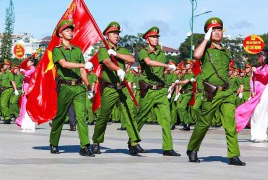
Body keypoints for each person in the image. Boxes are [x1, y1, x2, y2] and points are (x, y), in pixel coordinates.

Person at [186, 17, 245, 166]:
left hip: (226, 92)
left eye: (219, 30)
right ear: (208, 33)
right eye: (214, 31)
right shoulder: (205, 49)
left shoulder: (226, 52)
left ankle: (233, 155)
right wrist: (205, 40)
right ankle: (192, 148)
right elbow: (196, 56)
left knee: (230, 124)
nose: (217, 33)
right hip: (211, 93)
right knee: (204, 123)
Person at [91, 22, 144, 155]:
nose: (117, 36)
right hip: (110, 88)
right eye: (114, 33)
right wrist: (118, 68)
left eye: (118, 33)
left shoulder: (121, 50)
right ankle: (96, 142)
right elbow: (107, 63)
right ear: (107, 35)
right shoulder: (103, 50)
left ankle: (133, 143)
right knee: (103, 116)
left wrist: (116, 54)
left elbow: (131, 59)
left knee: (130, 113)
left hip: (123, 87)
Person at [48, 20, 95, 156]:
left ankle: (85, 146)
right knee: (61, 116)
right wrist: (83, 65)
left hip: (79, 87)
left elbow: (82, 72)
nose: (70, 32)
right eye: (67, 30)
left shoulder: (78, 50)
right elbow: (64, 65)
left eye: (71, 30)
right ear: (60, 34)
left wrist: (88, 86)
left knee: (81, 116)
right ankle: (54, 142)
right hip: (65, 87)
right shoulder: (57, 50)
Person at [135, 27, 180, 156]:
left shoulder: (161, 53)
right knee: (142, 117)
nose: (156, 39)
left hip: (160, 91)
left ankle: (168, 148)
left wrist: (167, 72)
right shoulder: (143, 52)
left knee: (166, 119)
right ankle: (132, 141)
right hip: (148, 91)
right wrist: (167, 66)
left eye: (157, 37)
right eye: (154, 37)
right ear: (147, 39)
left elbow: (160, 71)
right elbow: (148, 62)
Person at [236, 49, 268, 142]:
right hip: (256, 95)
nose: (258, 58)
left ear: (265, 57)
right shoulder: (258, 67)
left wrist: (256, 71)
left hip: (265, 92)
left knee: (262, 113)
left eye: (260, 56)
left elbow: (266, 74)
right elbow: (252, 80)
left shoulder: (265, 67)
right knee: (256, 114)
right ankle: (256, 135)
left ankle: (261, 135)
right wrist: (252, 91)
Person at [16, 57, 36, 130]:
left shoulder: (33, 69)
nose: (27, 63)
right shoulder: (29, 69)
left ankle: (24, 121)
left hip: (29, 90)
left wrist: (22, 70)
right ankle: (21, 121)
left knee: (26, 105)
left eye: (28, 62)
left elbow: (27, 73)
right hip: (26, 89)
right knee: (23, 105)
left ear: (32, 63)